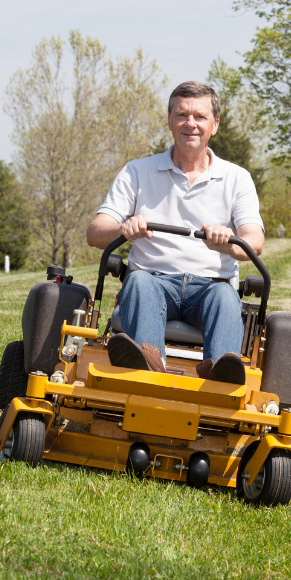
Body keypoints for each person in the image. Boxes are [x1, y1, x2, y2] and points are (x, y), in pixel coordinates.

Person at [86, 81, 264, 384]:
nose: (190, 124)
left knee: (224, 295)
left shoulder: (237, 178)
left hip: (211, 286)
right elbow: (95, 232)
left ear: (215, 125)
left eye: (200, 117)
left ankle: (221, 375)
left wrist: (228, 244)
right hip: (152, 282)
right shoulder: (137, 171)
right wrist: (123, 229)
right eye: (182, 115)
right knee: (139, 281)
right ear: (170, 121)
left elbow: (254, 242)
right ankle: (148, 365)